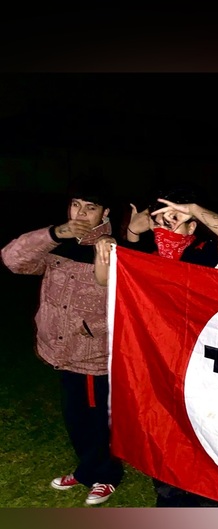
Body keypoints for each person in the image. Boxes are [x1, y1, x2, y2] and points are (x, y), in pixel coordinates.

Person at [95, 184, 218, 507]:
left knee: (204, 435)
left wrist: (193, 210)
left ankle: (207, 498)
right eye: (161, 220)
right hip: (156, 365)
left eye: (176, 220)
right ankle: (169, 496)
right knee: (162, 431)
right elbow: (105, 278)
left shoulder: (204, 255)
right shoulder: (143, 258)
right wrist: (107, 244)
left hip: (201, 367)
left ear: (192, 227)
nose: (166, 227)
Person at [0, 174, 124, 506]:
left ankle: (106, 475)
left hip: (92, 354)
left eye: (91, 207)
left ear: (105, 212)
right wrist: (54, 233)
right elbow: (12, 260)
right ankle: (86, 470)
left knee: (97, 422)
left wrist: (110, 248)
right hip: (61, 350)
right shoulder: (59, 242)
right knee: (75, 417)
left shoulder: (111, 247)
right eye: (75, 205)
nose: (80, 214)